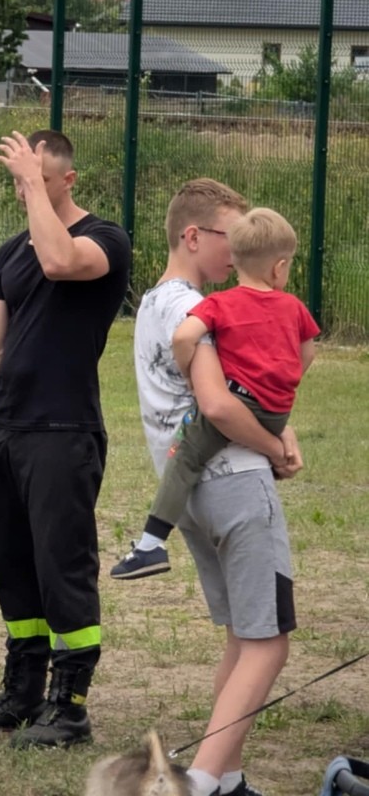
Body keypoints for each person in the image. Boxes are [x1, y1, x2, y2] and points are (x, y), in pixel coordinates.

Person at [128, 179, 303, 796]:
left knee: (242, 636)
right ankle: (199, 783)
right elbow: (219, 406)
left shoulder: (154, 301)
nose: (239, 250)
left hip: (195, 494)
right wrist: (277, 446)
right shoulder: (194, 312)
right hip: (236, 486)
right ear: (193, 235)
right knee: (268, 645)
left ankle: (225, 781)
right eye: (232, 235)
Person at [0, 129, 130, 749]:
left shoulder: (104, 239)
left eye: (36, 179)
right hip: (8, 431)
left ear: (68, 180)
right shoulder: (10, 253)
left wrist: (31, 182)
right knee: (12, 569)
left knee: (64, 570)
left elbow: (60, 261)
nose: (24, 190)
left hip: (65, 431)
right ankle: (24, 691)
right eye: (19, 181)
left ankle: (71, 705)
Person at [112, 206, 317, 580]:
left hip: (236, 403)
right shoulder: (294, 306)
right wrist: (284, 381)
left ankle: (150, 545)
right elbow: (308, 350)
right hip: (277, 412)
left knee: (186, 455)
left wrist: (191, 374)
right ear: (279, 267)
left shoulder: (217, 304)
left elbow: (184, 337)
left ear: (236, 260)